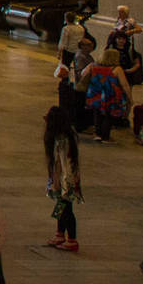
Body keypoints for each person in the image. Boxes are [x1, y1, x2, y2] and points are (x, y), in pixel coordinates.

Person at [43, 106, 82, 251]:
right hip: (63, 177)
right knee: (61, 206)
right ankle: (59, 233)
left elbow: (62, 162)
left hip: (65, 179)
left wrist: (57, 180)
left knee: (66, 208)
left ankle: (71, 238)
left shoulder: (62, 140)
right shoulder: (65, 136)